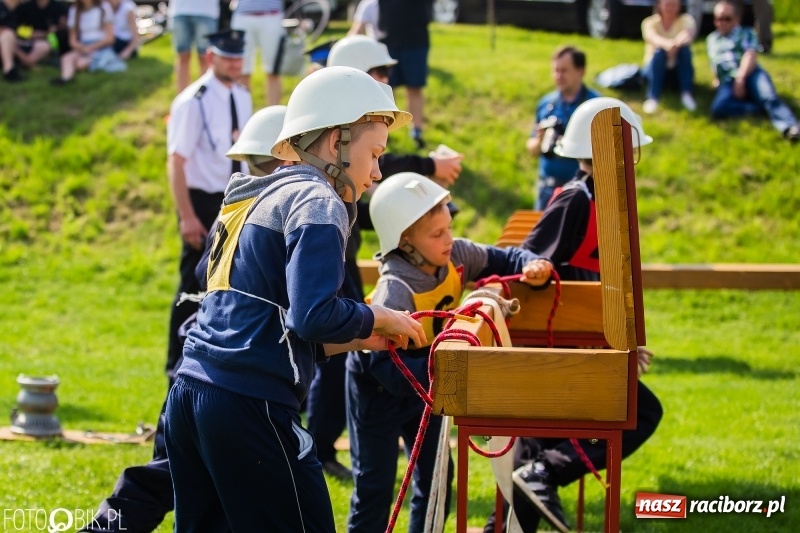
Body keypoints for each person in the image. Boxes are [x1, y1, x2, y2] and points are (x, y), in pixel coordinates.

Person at [164, 66, 426, 532]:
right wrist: (380, 317)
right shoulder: (317, 200)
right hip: (250, 403)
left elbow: (262, 316)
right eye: (374, 154)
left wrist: (357, 340)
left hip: (190, 395)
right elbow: (312, 316)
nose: (378, 172)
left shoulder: (253, 197)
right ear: (335, 144)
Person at [81, 106, 290, 533]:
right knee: (177, 478)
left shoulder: (233, 210)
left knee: (174, 477)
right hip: (221, 376)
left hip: (197, 365)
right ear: (288, 159)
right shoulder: (271, 217)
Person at [484, 97, 663, 533]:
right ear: (609, 150)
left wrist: (622, 340)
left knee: (536, 451)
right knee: (639, 412)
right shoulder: (576, 200)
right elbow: (527, 261)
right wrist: (536, 274)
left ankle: (523, 496)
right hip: (557, 346)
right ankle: (543, 475)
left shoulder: (613, 201)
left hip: (585, 342)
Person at [347, 172, 553, 533]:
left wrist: (532, 264)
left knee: (438, 476)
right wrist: (446, 373)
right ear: (405, 242)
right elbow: (384, 365)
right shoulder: (394, 289)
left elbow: (504, 258)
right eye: (436, 233)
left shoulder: (456, 254)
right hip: (380, 387)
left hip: (429, 377)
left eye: (449, 228)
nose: (448, 239)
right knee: (375, 486)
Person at [301, 33, 464, 483]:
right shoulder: (319, 201)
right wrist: (428, 167)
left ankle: (318, 441)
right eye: (380, 73)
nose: (386, 81)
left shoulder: (330, 191)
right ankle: (317, 442)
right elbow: (310, 319)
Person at [164, 28, 252, 383]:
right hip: (202, 200)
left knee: (231, 283)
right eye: (226, 57)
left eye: (238, 57)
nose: (233, 63)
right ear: (209, 57)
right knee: (192, 284)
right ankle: (177, 363)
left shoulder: (243, 95)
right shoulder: (193, 100)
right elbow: (177, 161)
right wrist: (187, 216)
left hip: (236, 198)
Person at [706, 0, 800, 142]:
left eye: (727, 18)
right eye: (718, 18)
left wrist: (740, 78)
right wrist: (717, 78)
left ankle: (790, 127)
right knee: (719, 108)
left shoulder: (747, 32)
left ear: (736, 19)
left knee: (769, 96)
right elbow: (715, 61)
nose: (722, 22)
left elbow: (750, 55)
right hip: (727, 80)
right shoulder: (712, 39)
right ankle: (758, 109)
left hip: (750, 73)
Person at [526, 45, 599, 211]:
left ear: (580, 71)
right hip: (548, 187)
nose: (558, 76)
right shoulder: (546, 104)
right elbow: (531, 149)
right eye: (555, 70)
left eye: (564, 70)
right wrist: (540, 140)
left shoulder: (595, 105)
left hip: (584, 189)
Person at [373, 0, 432, 149]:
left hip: (416, 40)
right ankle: (383, 132)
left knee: (415, 86)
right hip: (389, 40)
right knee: (386, 88)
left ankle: (417, 132)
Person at [50, 0, 127, 86]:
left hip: (101, 46)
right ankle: (65, 79)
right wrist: (82, 48)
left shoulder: (104, 7)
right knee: (66, 58)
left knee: (80, 64)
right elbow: (72, 41)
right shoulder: (74, 10)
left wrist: (92, 47)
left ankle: (70, 72)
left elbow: (110, 38)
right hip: (83, 47)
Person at [641, 0, 697, 114]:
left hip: (676, 70)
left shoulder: (687, 20)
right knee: (659, 53)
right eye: (667, 4)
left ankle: (686, 93)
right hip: (653, 69)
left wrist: (675, 45)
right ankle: (653, 96)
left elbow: (687, 35)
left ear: (679, 7)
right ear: (659, 5)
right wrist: (668, 46)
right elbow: (653, 38)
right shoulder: (649, 22)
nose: (670, 8)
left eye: (673, 5)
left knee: (684, 51)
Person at [230, 0, 284, 106]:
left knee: (273, 70)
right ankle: (243, 114)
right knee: (242, 70)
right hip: (243, 15)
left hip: (271, 15)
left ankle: (273, 115)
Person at [168, 0, 219, 92]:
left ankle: (205, 98)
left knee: (206, 57)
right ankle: (182, 99)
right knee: (182, 56)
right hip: (180, 10)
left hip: (206, 11)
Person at [14, 0, 66, 71]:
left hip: (45, 41)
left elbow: (62, 26)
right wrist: (30, 34)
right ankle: (26, 63)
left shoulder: (59, 7)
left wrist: (54, 29)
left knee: (45, 46)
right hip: (25, 40)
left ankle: (25, 63)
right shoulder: (25, 7)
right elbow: (15, 27)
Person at [1, 0, 23, 82]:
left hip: (18, 41)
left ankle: (25, 63)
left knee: (43, 46)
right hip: (6, 42)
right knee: (8, 34)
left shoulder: (22, 8)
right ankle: (9, 70)